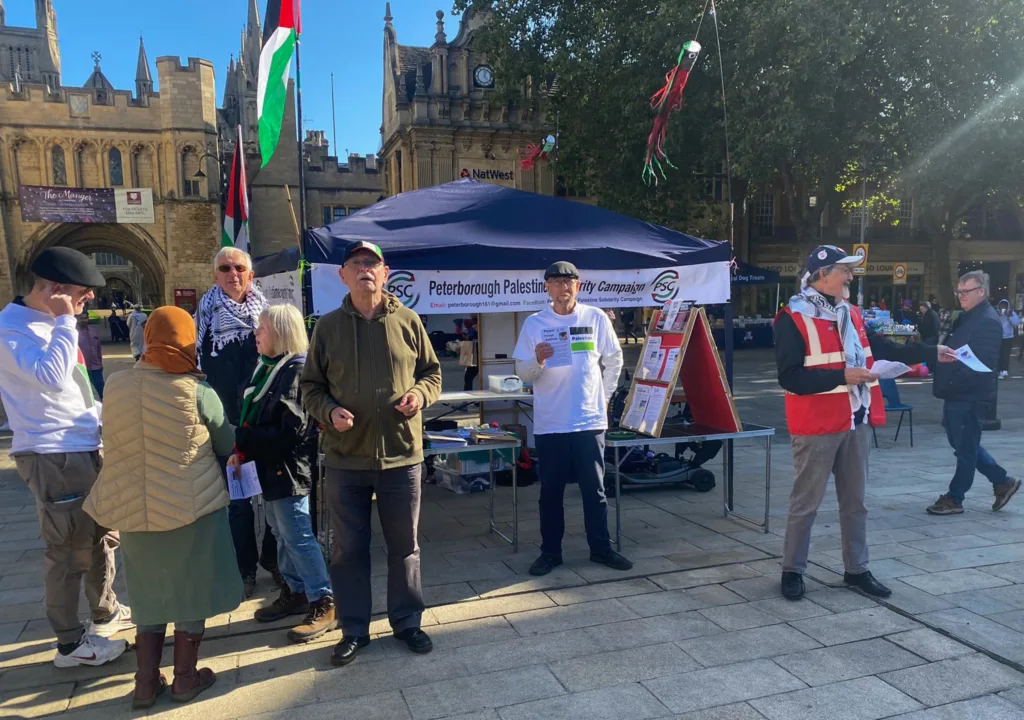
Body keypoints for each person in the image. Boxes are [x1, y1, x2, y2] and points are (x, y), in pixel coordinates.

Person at [84, 307, 243, 707]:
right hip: (191, 508)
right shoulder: (196, 390)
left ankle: (144, 683)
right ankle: (185, 678)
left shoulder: (116, 386)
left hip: (135, 508)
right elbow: (225, 443)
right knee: (191, 589)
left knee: (148, 592)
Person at [774, 245, 946, 601]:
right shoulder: (791, 317)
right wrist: (843, 376)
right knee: (805, 503)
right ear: (822, 275)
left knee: (856, 503)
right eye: (845, 271)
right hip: (817, 424)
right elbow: (790, 378)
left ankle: (857, 569)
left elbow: (884, 349)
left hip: (856, 419)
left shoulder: (850, 313)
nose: (851, 276)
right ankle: (792, 570)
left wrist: (932, 351)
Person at [300, 240, 442, 667]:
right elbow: (310, 387)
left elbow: (432, 374)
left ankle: (407, 622)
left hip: (402, 457)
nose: (365, 270)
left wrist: (419, 394)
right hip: (346, 458)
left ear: (385, 273)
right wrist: (328, 411)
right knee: (347, 550)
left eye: (373, 264)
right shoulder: (326, 328)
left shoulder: (409, 321)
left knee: (405, 546)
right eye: (356, 264)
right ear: (342, 275)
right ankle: (355, 630)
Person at [0, 247, 132, 668]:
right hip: (53, 455)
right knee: (68, 549)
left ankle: (105, 610)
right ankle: (70, 645)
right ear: (55, 290)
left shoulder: (49, 324)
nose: (88, 300)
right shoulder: (12, 330)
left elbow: (77, 389)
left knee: (100, 536)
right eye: (81, 293)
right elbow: (51, 378)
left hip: (83, 446)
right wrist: (64, 321)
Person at [512, 261, 632, 577]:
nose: (563, 288)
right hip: (552, 422)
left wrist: (604, 397)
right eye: (556, 282)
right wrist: (537, 359)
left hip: (589, 421)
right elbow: (522, 373)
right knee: (550, 493)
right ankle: (550, 553)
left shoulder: (594, 318)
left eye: (569, 282)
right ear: (546, 287)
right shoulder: (534, 323)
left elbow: (614, 360)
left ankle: (601, 549)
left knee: (595, 490)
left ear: (578, 286)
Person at [229, 304, 335, 644]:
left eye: (261, 328)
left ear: (279, 333)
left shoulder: (294, 371)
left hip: (287, 469)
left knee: (298, 534)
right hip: (270, 468)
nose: (255, 334)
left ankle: (323, 601)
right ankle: (296, 590)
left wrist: (242, 438)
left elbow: (290, 431)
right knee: (282, 532)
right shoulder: (269, 367)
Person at [195, 247, 278, 597]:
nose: (233, 274)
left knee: (274, 497)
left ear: (251, 274)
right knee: (239, 504)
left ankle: (273, 561)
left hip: (265, 422)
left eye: (240, 267)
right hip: (227, 425)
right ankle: (244, 569)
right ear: (215, 275)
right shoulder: (204, 318)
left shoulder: (269, 316)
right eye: (225, 268)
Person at [927, 272, 1021, 515]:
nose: (961, 296)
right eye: (959, 292)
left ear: (981, 291)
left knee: (965, 448)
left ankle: (955, 497)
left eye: (965, 292)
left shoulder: (988, 321)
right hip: (957, 393)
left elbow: (984, 365)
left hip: (970, 396)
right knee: (962, 444)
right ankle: (1002, 481)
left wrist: (953, 378)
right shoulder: (968, 317)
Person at [77, 313, 105, 400]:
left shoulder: (93, 331)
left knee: (102, 390)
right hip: (81, 367)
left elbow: (98, 348)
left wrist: (100, 363)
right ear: (77, 319)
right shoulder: (74, 333)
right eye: (81, 318)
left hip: (95, 366)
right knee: (84, 392)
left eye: (85, 318)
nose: (83, 320)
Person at [996, 299, 1019, 379]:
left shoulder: (1011, 313)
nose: (1003, 307)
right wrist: (998, 316)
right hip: (998, 337)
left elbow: (1016, 323)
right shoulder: (996, 313)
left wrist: (1009, 316)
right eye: (1002, 305)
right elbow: (992, 323)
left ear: (1007, 306)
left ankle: (1004, 370)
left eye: (1005, 305)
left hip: (1008, 337)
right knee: (998, 354)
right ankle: (998, 370)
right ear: (999, 306)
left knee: (1005, 354)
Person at [460, 317, 479, 391]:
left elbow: (469, 340)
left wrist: (465, 337)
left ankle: (467, 395)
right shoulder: (476, 329)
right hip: (477, 356)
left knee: (468, 377)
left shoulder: (472, 330)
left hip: (474, 357)